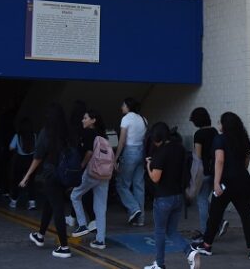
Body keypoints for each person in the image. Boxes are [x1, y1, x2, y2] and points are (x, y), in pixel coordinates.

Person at [191, 111, 250, 260]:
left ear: (225, 125)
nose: (218, 124)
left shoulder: (220, 139)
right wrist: (240, 170)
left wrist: (216, 182)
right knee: (246, 215)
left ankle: (206, 245)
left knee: (215, 213)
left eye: (220, 122)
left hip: (225, 182)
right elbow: (246, 159)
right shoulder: (243, 139)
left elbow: (219, 161)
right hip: (242, 181)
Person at [20, 102, 75, 260]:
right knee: (49, 204)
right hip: (65, 174)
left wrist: (27, 176)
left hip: (51, 174)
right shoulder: (68, 132)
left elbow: (38, 157)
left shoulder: (46, 132)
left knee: (57, 207)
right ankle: (40, 235)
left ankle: (64, 247)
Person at [144, 122, 186, 269]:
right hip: (178, 196)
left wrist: (149, 166)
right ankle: (191, 252)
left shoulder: (161, 152)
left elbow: (155, 178)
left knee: (160, 231)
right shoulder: (179, 148)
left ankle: (160, 264)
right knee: (172, 231)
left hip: (163, 197)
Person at [69, 109, 110, 249]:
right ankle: (100, 240)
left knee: (75, 195)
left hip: (92, 172)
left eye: (85, 118)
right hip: (104, 174)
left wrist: (81, 166)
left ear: (93, 120)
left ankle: (82, 225)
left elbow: (89, 152)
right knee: (100, 207)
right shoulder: (103, 135)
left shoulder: (88, 133)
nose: (83, 120)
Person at [190, 107, 230, 242]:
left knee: (201, 200)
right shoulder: (214, 132)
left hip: (204, 172)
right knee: (209, 200)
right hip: (216, 171)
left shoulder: (199, 134)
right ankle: (219, 222)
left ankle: (204, 231)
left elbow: (198, 156)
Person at [115, 97, 148, 226]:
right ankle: (140, 220)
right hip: (141, 152)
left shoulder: (126, 119)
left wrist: (115, 157)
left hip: (130, 152)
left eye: (123, 105)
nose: (121, 107)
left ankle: (134, 209)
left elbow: (122, 141)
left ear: (128, 106)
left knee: (121, 184)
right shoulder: (143, 119)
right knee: (139, 186)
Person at [9, 117, 37, 210]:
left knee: (17, 181)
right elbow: (38, 149)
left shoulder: (17, 136)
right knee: (31, 182)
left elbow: (11, 148)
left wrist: (17, 148)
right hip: (31, 161)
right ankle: (32, 203)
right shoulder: (35, 136)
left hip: (20, 160)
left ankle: (13, 201)